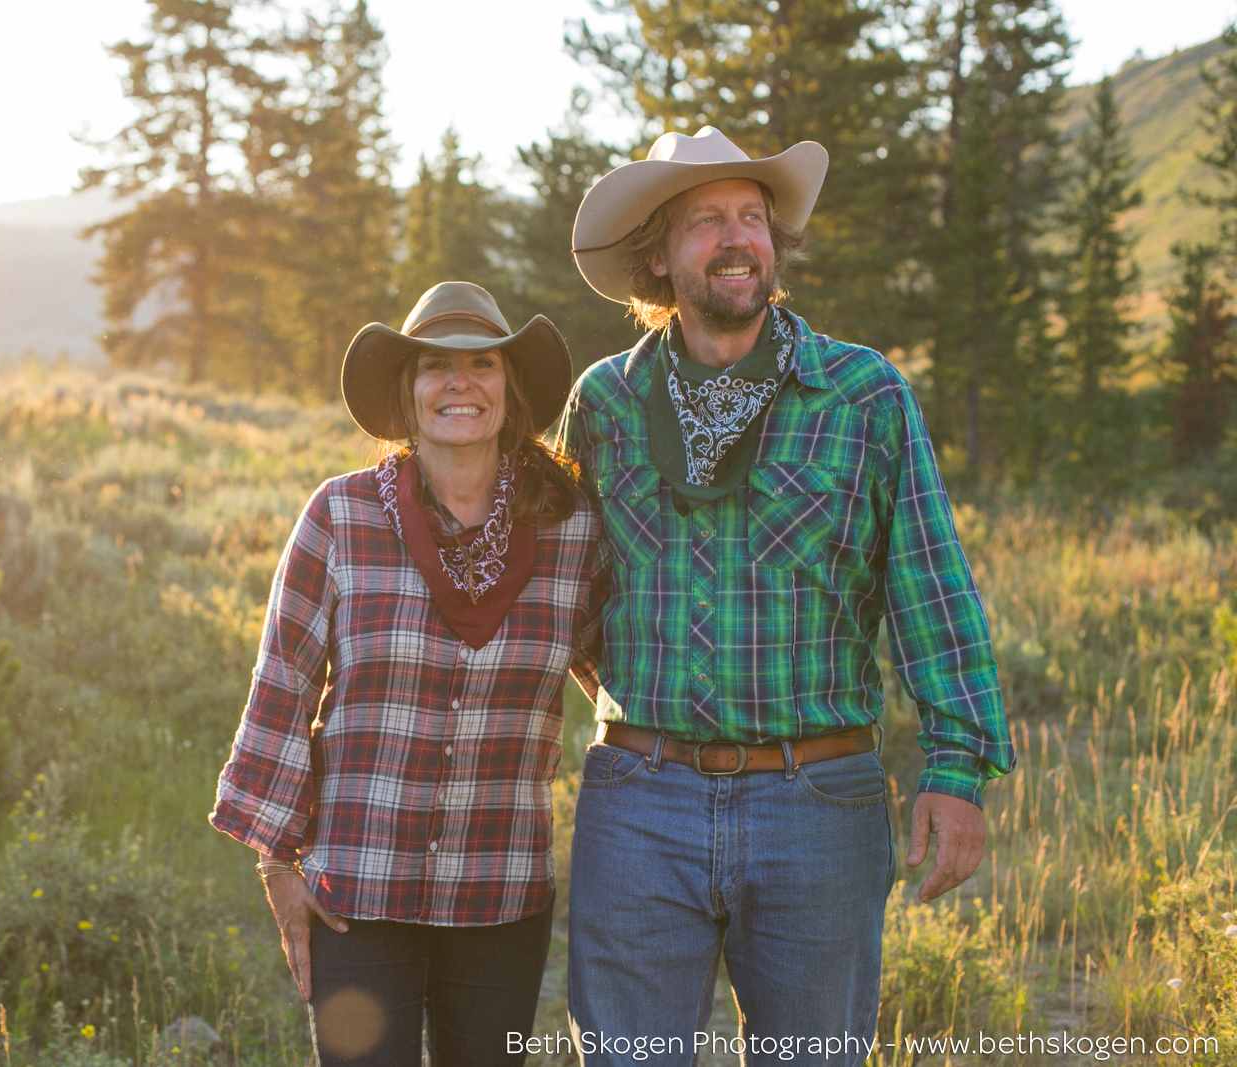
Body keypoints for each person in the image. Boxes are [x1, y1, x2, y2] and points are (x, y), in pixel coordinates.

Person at [558, 127, 1014, 1065]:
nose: (737, 238)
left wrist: (956, 769)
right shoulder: (603, 403)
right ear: (658, 252)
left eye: (753, 218)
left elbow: (929, 583)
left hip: (819, 801)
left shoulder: (862, 394)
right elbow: (568, 597)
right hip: (639, 802)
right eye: (706, 220)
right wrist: (648, 712)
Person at [210, 281, 607, 1067]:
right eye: (435, 365)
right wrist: (276, 863)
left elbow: (620, 674)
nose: (460, 382)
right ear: (409, 391)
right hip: (356, 890)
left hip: (501, 888)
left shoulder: (571, 530)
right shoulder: (341, 516)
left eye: (482, 363)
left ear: (510, 387)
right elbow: (282, 684)